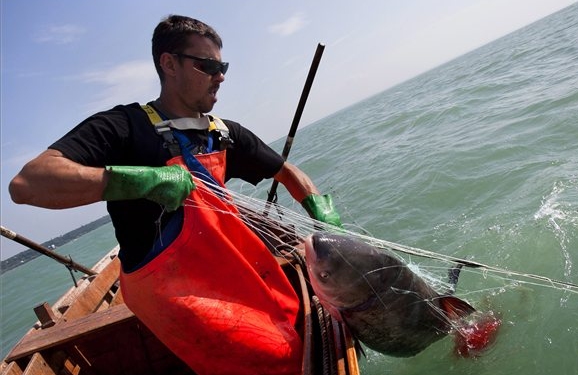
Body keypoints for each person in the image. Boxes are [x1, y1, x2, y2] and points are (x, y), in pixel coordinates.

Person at [9, 15, 341, 375]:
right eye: (208, 66)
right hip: (169, 290)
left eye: (222, 66)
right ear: (169, 64)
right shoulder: (125, 127)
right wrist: (139, 181)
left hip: (225, 265)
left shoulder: (224, 133)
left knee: (295, 317)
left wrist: (319, 210)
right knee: (275, 355)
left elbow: (287, 172)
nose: (221, 76)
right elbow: (28, 183)